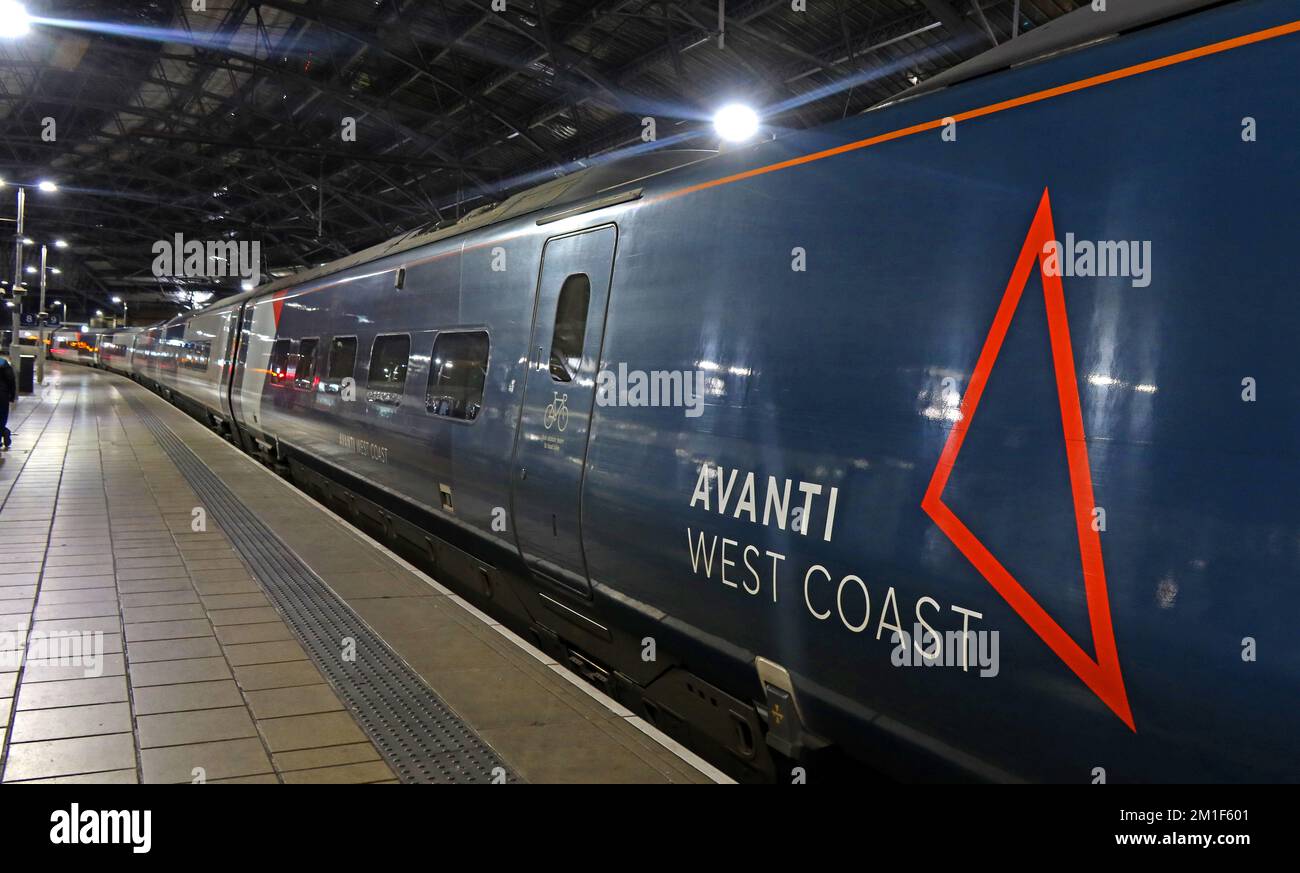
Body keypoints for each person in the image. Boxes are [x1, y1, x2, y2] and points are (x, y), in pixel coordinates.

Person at [0, 347, 15, 450]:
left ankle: (4, 432)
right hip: (2, 395)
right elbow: (11, 380)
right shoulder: (3, 363)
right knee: (1, 417)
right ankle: (4, 431)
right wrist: (12, 395)